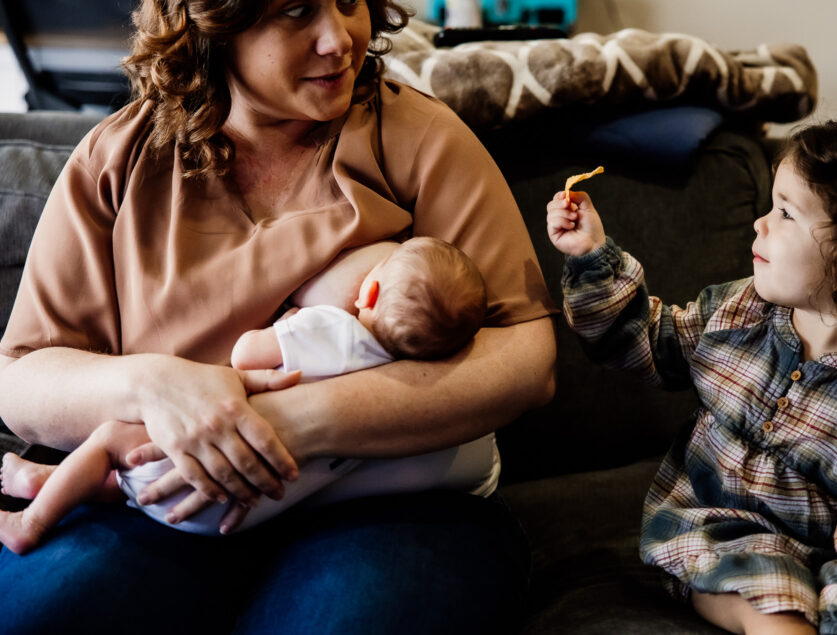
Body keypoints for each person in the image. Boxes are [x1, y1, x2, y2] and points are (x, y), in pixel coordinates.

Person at [0, 0, 556, 631]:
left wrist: (294, 425)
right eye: (297, 10)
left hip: (386, 507)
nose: (340, 38)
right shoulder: (117, 163)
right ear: (213, 22)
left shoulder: (419, 140)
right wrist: (152, 386)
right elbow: (20, 379)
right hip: (170, 508)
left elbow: (526, 357)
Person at [546, 120, 837, 635]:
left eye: (785, 212)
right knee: (772, 608)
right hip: (723, 539)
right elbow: (643, 340)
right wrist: (591, 256)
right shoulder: (740, 312)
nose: (760, 224)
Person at [0, 236, 495, 550]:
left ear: (367, 291)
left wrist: (287, 325)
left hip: (193, 463)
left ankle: (33, 523)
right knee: (133, 479)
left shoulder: (333, 329)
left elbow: (244, 356)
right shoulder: (403, 379)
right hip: (246, 506)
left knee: (112, 441)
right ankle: (46, 477)